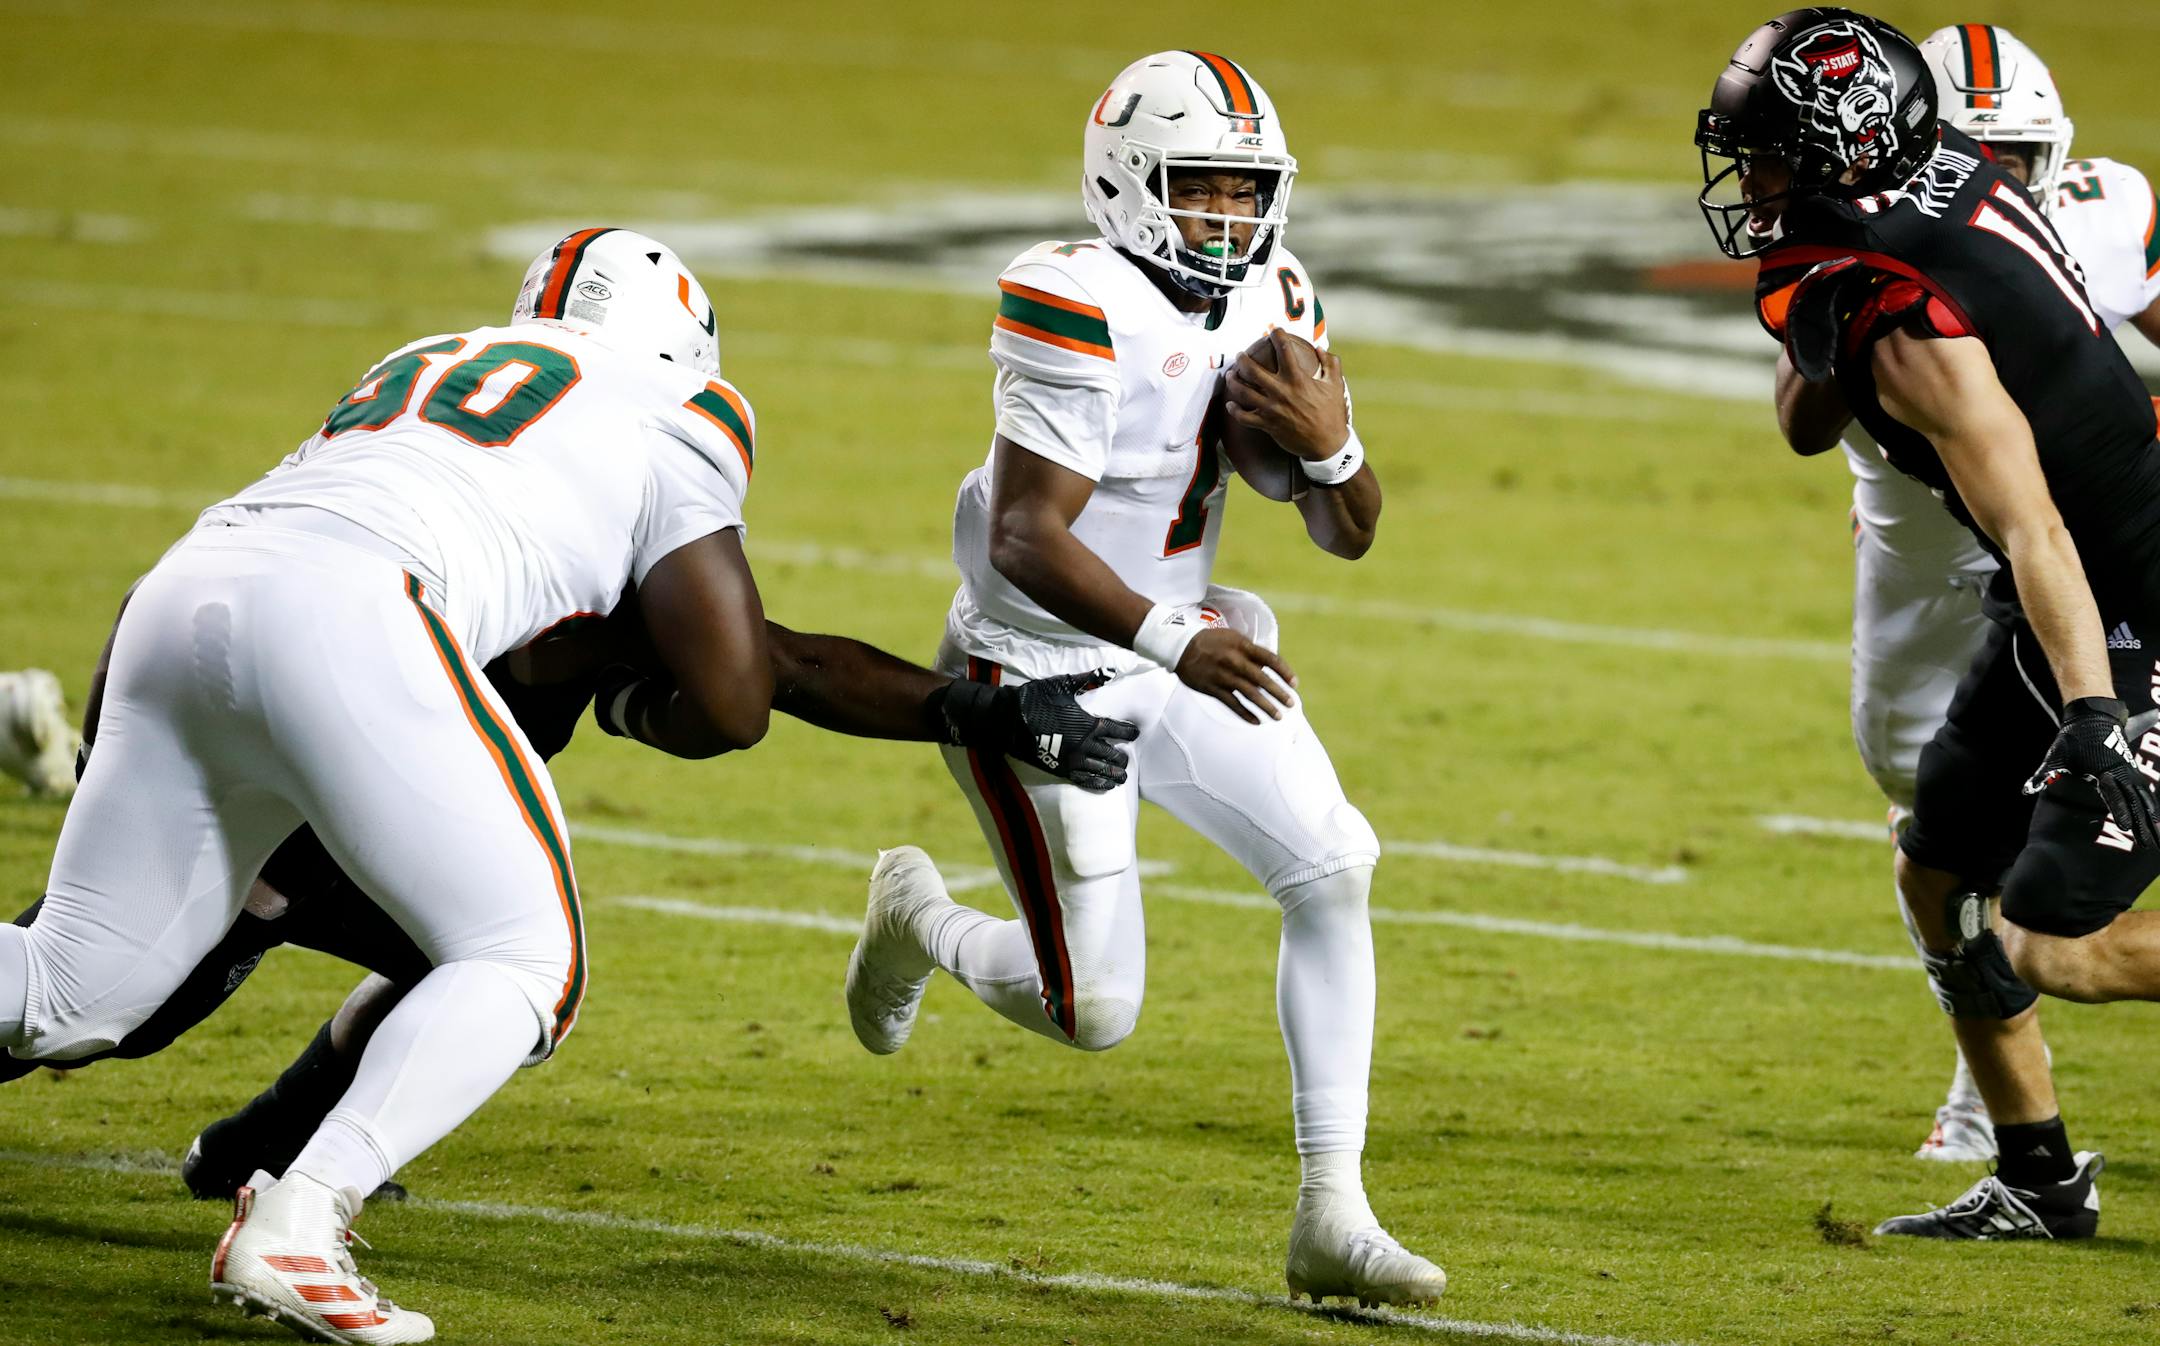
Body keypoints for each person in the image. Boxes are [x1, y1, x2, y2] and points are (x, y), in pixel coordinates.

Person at [0, 226, 785, 1342]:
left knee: (71, 982)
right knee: (526, 957)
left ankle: (289, 1194)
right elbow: (737, 694)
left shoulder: (426, 355)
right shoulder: (681, 410)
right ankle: (300, 1218)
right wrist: (634, 701)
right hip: (356, 610)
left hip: (184, 589)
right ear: (684, 344)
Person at [838, 51, 1444, 1305]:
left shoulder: (1275, 290)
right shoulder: (1070, 296)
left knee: (1334, 865)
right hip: (1043, 663)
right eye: (1199, 186)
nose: (1228, 215)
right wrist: (1174, 642)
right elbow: (1024, 533)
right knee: (1092, 1008)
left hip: (1181, 637)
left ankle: (1334, 1208)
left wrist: (1338, 452)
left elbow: (1352, 530)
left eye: (1246, 188)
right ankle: (918, 918)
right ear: (1126, 181)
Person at [3, 590, 1138, 1211]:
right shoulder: (563, 522)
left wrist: (976, 710)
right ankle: (277, 1169)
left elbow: (766, 667)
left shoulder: (564, 516)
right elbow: (774, 670)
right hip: (282, 785)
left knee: (486, 965)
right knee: (110, 999)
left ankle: (259, 1150)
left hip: (310, 771)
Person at [1699, 8, 2160, 1238]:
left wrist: (2097, 715)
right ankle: (2039, 1174)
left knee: (2050, 939)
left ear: (1850, 153)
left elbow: (2034, 526)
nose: (1752, 180)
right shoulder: (1935, 172)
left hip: (2133, 597)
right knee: (1936, 868)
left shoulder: (1896, 313)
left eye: (1774, 155)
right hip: (2073, 587)